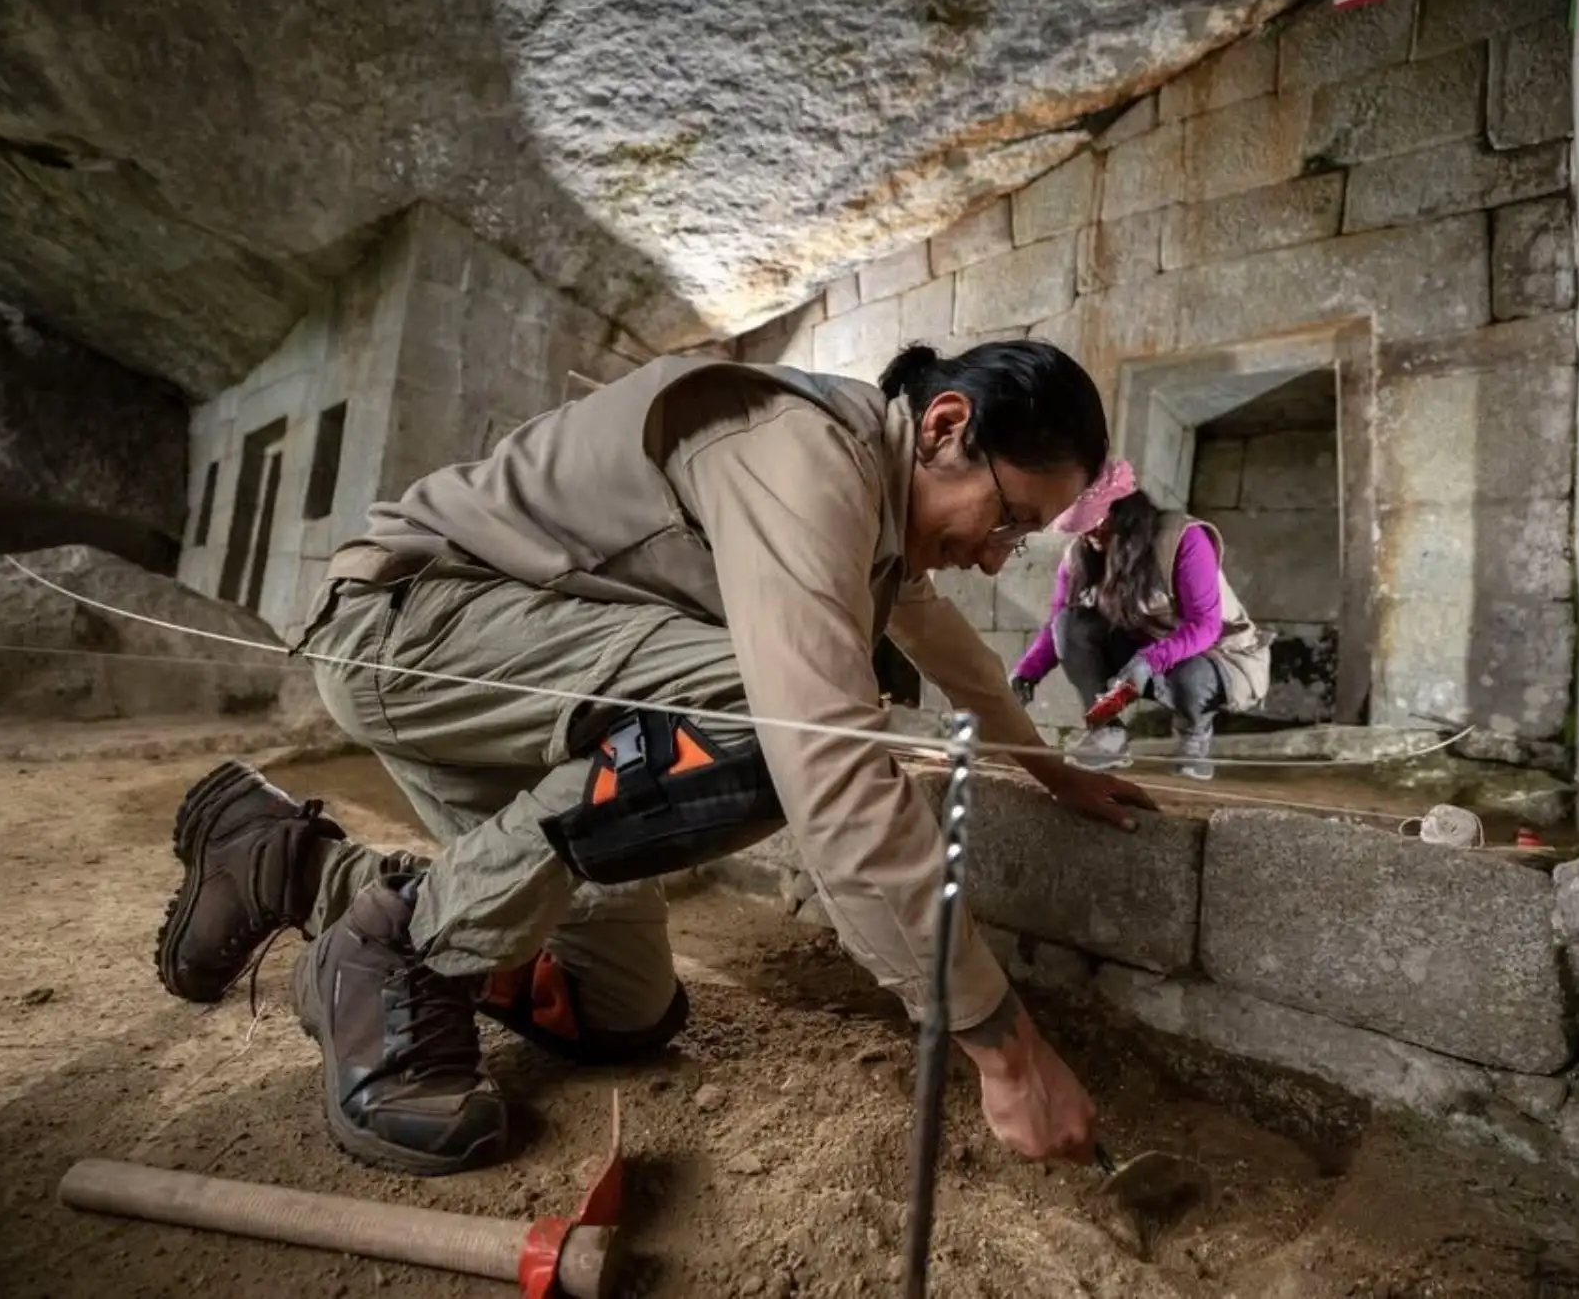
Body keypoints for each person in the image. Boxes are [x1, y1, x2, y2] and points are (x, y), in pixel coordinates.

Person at [153, 340, 1160, 1177]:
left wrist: (1049, 764)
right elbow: (829, 766)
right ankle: (392, 956)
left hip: (522, 691)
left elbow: (944, 641)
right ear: (945, 429)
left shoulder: (874, 507)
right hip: (411, 633)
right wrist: (1003, 1048)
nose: (997, 554)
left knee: (618, 1010)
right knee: (780, 719)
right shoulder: (806, 452)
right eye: (1010, 521)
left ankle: (288, 864)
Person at [1008, 462, 1271, 779]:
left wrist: (1151, 660)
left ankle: (1194, 735)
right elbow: (1056, 627)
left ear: (1125, 510)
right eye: (1079, 526)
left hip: (1218, 657)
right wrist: (1025, 675)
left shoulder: (1183, 539)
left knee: (1189, 675)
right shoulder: (1081, 554)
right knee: (1070, 623)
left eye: (1095, 520)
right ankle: (1107, 731)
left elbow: (1206, 625)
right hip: (1145, 654)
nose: (1088, 532)